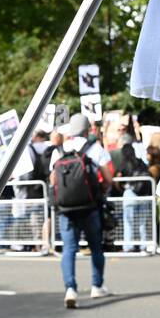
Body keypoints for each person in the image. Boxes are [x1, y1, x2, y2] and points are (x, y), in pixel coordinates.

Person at [49, 113, 111, 306]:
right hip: (90, 206)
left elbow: (53, 180)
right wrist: (101, 191)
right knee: (95, 248)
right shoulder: (95, 148)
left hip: (66, 208)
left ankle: (70, 289)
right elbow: (108, 177)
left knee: (69, 249)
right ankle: (96, 286)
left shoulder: (58, 150)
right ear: (87, 129)